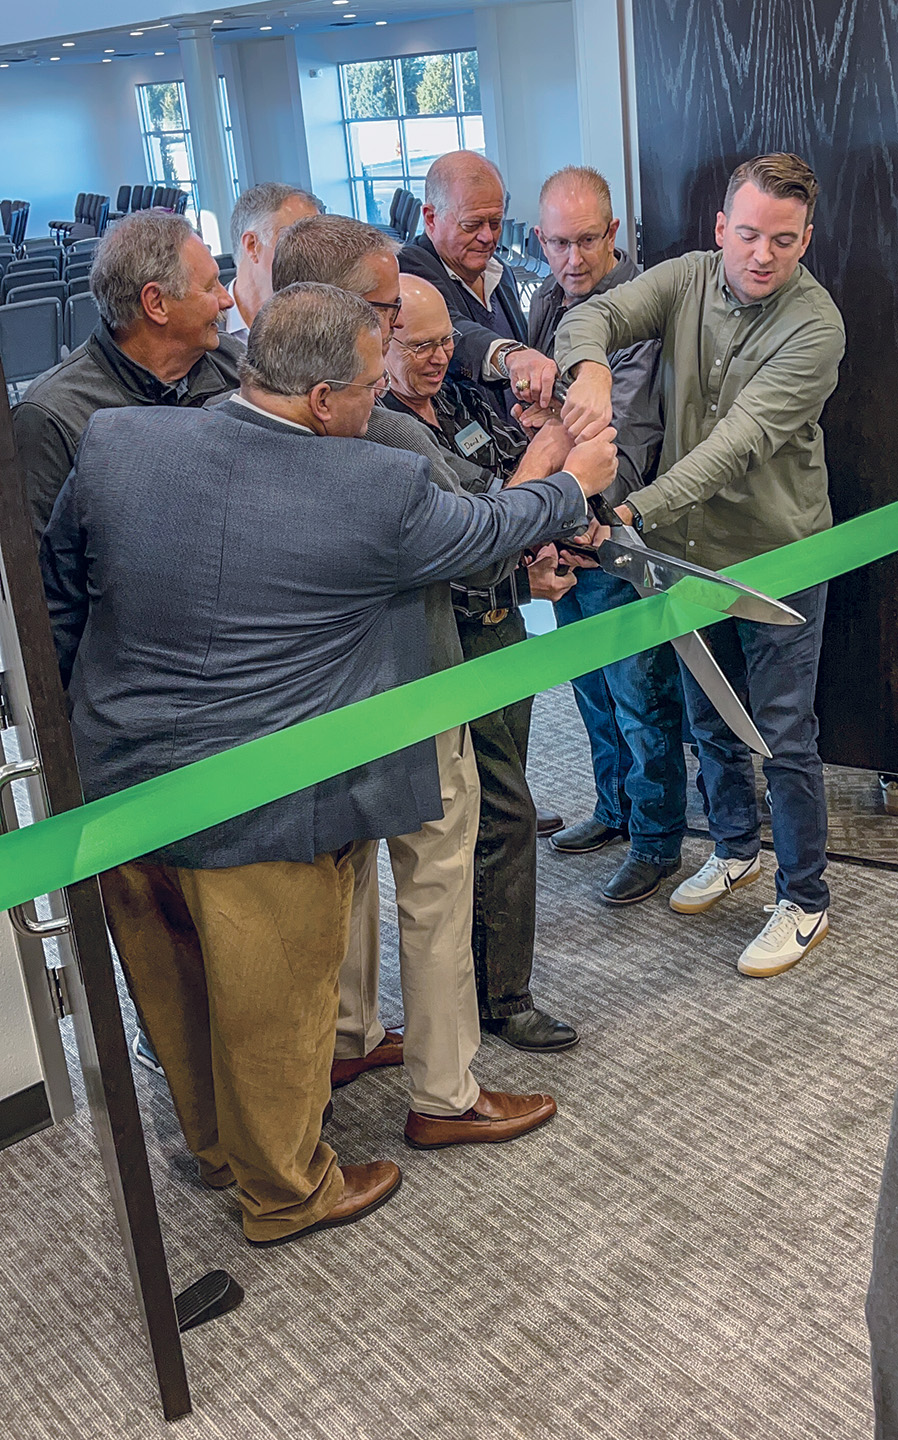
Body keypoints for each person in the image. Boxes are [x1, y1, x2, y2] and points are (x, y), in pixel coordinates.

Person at [40, 282, 614, 1241]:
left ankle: (222, 1148)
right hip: (267, 803)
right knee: (277, 1006)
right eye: (366, 388)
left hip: (122, 789)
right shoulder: (368, 485)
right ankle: (288, 1191)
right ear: (321, 400)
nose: (376, 404)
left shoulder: (119, 442)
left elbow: (61, 589)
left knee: (178, 992)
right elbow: (483, 533)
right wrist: (575, 479)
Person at [271, 218, 617, 1111]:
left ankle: (355, 1039)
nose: (414, 343)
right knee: (435, 872)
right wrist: (563, 477)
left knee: (354, 869)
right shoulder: (379, 434)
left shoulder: (252, 413)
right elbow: (473, 537)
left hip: (340, 689)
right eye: (392, 318)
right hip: (418, 675)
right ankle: (448, 1093)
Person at [556, 152, 845, 975]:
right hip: (689, 558)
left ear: (806, 240)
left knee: (782, 733)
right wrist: (586, 370)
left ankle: (805, 898)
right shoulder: (685, 278)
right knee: (709, 716)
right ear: (721, 229)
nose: (763, 255)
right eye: (748, 234)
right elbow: (594, 318)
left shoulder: (817, 327)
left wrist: (632, 512)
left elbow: (736, 447)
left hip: (780, 556)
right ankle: (732, 848)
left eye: (783, 241)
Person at [380, 270, 580, 1049]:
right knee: (502, 813)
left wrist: (534, 455)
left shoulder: (458, 400)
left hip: (504, 623)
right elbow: (482, 520)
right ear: (382, 343)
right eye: (418, 345)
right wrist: (556, 460)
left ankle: (483, 976)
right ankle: (504, 995)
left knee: (500, 810)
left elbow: (501, 481)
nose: (436, 358)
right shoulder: (391, 436)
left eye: (443, 344)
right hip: (451, 642)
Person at [528, 165, 686, 908]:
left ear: (613, 232)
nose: (574, 258)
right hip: (558, 535)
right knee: (589, 688)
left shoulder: (637, 308)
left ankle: (656, 841)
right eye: (558, 242)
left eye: (588, 239)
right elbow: (526, 419)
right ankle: (614, 809)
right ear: (541, 240)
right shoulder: (539, 303)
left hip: (615, 532)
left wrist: (552, 442)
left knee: (639, 697)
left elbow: (623, 429)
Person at [14, 210, 242, 542]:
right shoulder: (51, 418)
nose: (227, 299)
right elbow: (38, 576)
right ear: (156, 303)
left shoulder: (231, 360)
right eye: (211, 287)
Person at [399, 150, 557, 416]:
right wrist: (511, 356)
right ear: (430, 218)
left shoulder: (501, 272)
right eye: (471, 225)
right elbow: (454, 331)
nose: (487, 237)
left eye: (495, 223)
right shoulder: (410, 271)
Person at [226, 182, 321, 342]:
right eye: (297, 241)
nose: (315, 257)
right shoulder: (200, 328)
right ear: (252, 245)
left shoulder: (326, 321)